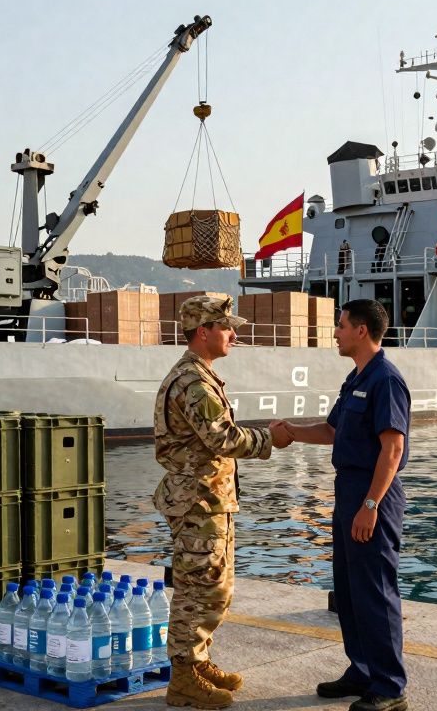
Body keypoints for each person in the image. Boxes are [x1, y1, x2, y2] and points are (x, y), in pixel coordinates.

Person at [154, 295, 292, 709]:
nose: (233, 333)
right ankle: (183, 678)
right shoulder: (193, 382)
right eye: (226, 326)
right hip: (197, 503)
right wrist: (272, 439)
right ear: (204, 331)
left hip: (205, 500)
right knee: (199, 589)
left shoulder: (199, 375)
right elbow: (223, 438)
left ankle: (197, 662)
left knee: (212, 588)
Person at [274, 299, 409, 711]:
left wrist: (370, 504)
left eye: (341, 325)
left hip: (373, 495)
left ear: (362, 330)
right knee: (349, 590)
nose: (335, 332)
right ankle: (362, 669)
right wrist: (292, 432)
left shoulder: (386, 380)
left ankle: (389, 687)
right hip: (349, 491)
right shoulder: (356, 378)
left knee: (374, 590)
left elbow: (393, 448)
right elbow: (333, 430)